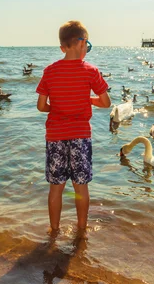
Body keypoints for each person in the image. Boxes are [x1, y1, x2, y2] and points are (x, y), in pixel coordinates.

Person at [36, 20, 111, 233]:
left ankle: (54, 230)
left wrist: (56, 107)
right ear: (83, 43)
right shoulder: (90, 71)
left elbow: (41, 106)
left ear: (62, 47)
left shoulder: (50, 71)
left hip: (55, 136)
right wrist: (88, 100)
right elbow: (106, 103)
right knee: (81, 187)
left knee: (56, 188)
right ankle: (81, 230)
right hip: (80, 136)